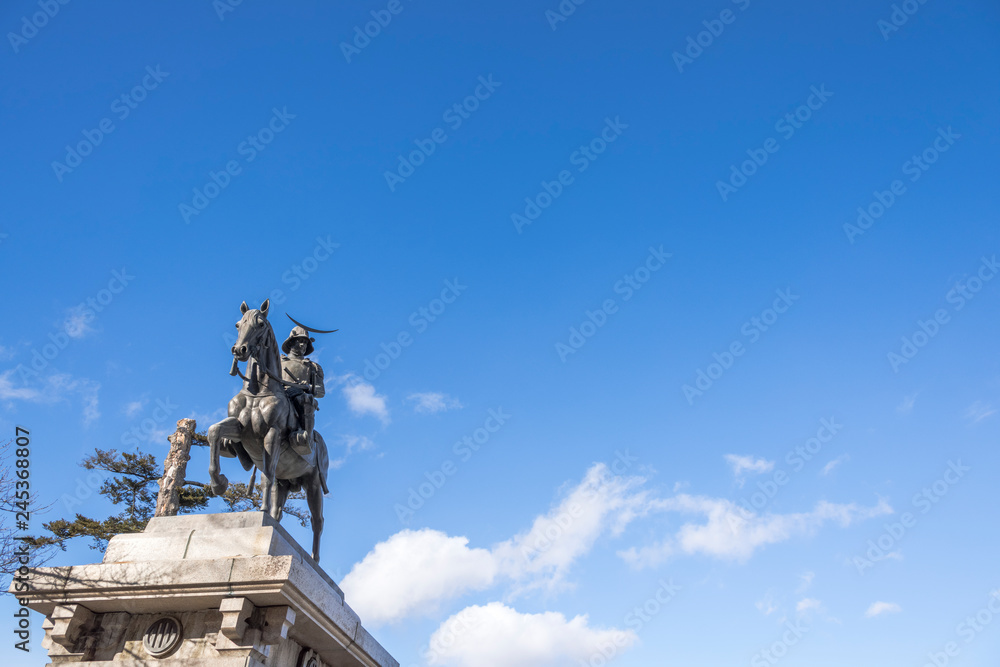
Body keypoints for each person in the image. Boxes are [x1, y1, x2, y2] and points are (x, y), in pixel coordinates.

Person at [280, 325, 325, 456]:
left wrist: (308, 387)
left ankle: (305, 438)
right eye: (300, 341)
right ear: (291, 342)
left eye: (305, 342)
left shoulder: (313, 367)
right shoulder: (278, 362)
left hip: (299, 397)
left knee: (307, 400)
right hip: (279, 394)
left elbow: (321, 391)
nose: (303, 345)